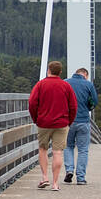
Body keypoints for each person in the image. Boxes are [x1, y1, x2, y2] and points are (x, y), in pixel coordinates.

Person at [28, 60, 77, 190]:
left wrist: (36, 118)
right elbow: (73, 106)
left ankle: (44, 177)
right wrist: (69, 121)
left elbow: (32, 103)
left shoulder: (40, 85)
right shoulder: (66, 86)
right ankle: (55, 183)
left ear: (48, 70)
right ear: (60, 72)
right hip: (61, 123)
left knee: (43, 149)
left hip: (43, 123)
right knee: (58, 153)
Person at [63, 68, 97, 184]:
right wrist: (87, 107)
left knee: (68, 146)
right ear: (85, 75)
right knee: (83, 150)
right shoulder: (88, 84)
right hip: (83, 121)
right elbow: (94, 102)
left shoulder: (65, 82)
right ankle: (81, 178)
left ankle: (69, 170)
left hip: (68, 121)